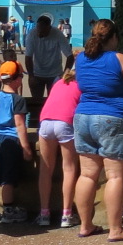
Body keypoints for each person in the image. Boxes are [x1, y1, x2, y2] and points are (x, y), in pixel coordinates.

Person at [72, 18, 123, 241]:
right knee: (115, 176)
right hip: (113, 118)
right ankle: (116, 229)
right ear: (114, 37)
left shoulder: (81, 59)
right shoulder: (117, 59)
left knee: (87, 174)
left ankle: (85, 225)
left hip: (83, 117)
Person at [0, 61, 33, 224]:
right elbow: (19, 125)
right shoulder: (18, 100)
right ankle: (8, 210)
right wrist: (26, 148)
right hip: (12, 140)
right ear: (17, 79)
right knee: (8, 178)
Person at [36, 56, 81, 228]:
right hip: (65, 123)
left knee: (45, 169)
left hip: (45, 121)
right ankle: (66, 214)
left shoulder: (58, 83)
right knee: (69, 169)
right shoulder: (82, 86)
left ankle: (44, 213)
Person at [24, 14, 73, 99]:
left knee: (54, 101)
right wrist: (31, 76)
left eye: (42, 30)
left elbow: (70, 56)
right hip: (37, 74)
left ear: (49, 28)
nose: (39, 32)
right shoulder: (32, 35)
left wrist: (65, 74)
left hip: (55, 74)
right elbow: (28, 57)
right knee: (37, 102)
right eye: (38, 29)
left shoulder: (58, 34)